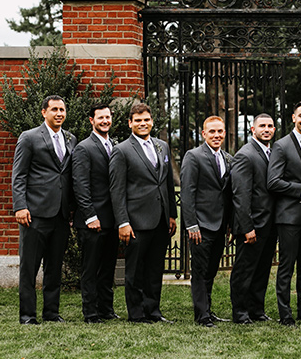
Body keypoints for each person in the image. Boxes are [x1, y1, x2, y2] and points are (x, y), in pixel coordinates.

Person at [109, 102, 177, 324]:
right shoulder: (121, 150)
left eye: (146, 119)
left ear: (152, 121)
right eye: (137, 120)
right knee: (136, 270)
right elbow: (117, 190)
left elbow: (167, 184)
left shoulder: (162, 146)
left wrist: (172, 215)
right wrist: (123, 222)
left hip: (160, 219)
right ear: (130, 123)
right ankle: (137, 313)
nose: (142, 123)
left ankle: (153, 310)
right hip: (136, 221)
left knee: (155, 268)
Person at [11, 95, 76, 325]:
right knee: (29, 268)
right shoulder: (29, 138)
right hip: (35, 214)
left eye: (62, 109)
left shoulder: (70, 139)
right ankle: (28, 315)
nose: (59, 113)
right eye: (55, 109)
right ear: (43, 112)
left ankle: (51, 313)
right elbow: (19, 175)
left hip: (60, 215)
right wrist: (20, 206)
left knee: (54, 268)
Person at [267, 101, 301, 327]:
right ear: (293, 118)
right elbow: (273, 182)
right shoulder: (281, 146)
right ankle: (285, 314)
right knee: (287, 266)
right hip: (289, 217)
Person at [180, 116, 233, 327]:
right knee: (200, 271)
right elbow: (187, 192)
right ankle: (201, 315)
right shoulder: (193, 156)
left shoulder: (228, 158)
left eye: (220, 131)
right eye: (212, 132)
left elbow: (227, 194)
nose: (216, 135)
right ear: (204, 134)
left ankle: (208, 310)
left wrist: (229, 224)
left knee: (211, 270)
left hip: (220, 225)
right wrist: (191, 224)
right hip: (200, 226)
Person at [72, 104, 119, 323]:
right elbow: (80, 185)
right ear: (92, 120)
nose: (105, 121)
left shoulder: (114, 146)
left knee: (108, 269)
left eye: (108, 117)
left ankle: (106, 310)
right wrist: (90, 216)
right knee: (90, 269)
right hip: (92, 221)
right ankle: (90, 313)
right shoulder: (84, 148)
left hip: (111, 219)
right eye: (100, 117)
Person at [229, 114, 278, 324]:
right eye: (262, 126)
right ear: (252, 129)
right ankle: (240, 312)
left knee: (262, 270)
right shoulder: (245, 155)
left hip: (269, 223)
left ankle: (256, 310)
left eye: (270, 126)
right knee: (244, 270)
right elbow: (240, 195)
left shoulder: (272, 152)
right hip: (252, 225)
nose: (266, 129)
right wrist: (247, 227)